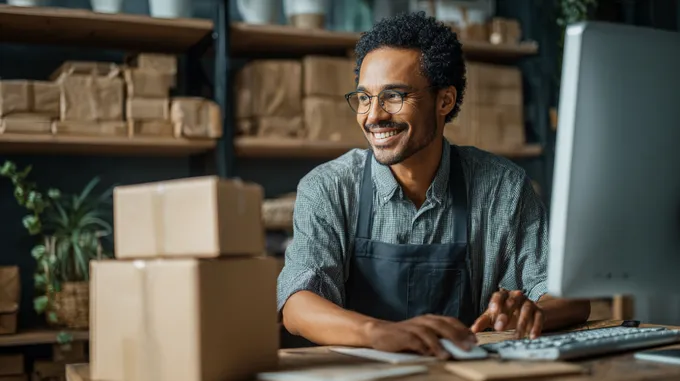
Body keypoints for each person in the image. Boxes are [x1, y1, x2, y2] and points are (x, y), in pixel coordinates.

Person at [277, 12, 590, 359]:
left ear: (444, 101)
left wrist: (536, 312)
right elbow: (297, 304)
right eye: (365, 98)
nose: (373, 115)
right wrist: (378, 332)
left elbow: (570, 296)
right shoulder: (328, 188)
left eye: (393, 96)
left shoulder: (504, 187)